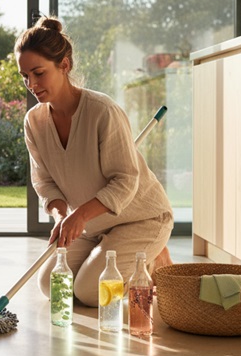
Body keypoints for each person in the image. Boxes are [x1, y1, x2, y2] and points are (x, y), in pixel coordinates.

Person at [15, 15, 174, 307]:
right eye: (25, 76)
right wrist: (62, 216)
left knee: (90, 293)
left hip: (141, 219)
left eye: (38, 73)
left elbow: (125, 180)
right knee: (52, 285)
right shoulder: (34, 122)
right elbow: (44, 181)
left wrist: (80, 216)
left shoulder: (102, 111)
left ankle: (151, 260)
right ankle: (115, 253)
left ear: (64, 65)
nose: (31, 84)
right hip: (93, 225)